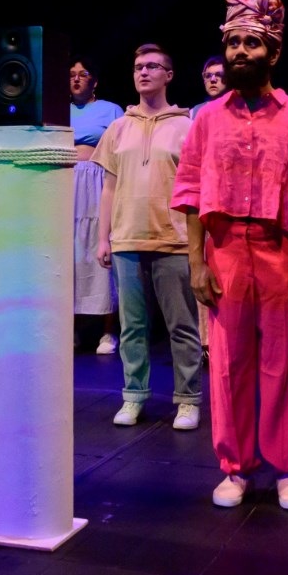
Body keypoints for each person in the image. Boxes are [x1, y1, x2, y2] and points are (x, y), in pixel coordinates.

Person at [172, 0, 288, 511]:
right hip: (224, 249)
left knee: (284, 360)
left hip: (280, 249)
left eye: (252, 43)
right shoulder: (206, 119)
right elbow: (191, 193)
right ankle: (236, 466)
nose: (240, 52)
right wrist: (196, 263)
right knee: (227, 361)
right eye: (234, 43)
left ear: (273, 52)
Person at [93, 44, 203, 431]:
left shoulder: (187, 126)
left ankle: (188, 400)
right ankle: (133, 396)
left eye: (152, 66)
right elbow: (108, 186)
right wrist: (103, 237)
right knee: (132, 327)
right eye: (138, 66)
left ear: (168, 75)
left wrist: (197, 244)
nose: (143, 72)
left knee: (182, 325)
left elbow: (197, 190)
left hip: (172, 238)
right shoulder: (119, 127)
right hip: (127, 238)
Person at [69, 55, 123, 355]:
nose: (76, 78)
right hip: (65, 181)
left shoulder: (110, 109)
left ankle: (107, 331)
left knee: (99, 252)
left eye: (83, 73)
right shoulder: (56, 109)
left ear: (95, 81)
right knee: (71, 254)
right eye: (72, 74)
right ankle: (72, 328)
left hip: (96, 179)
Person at [192, 55, 229, 363]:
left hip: (231, 200)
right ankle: (206, 344)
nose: (214, 80)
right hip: (204, 201)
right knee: (202, 267)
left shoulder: (239, 109)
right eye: (208, 76)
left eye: (219, 75)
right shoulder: (195, 114)